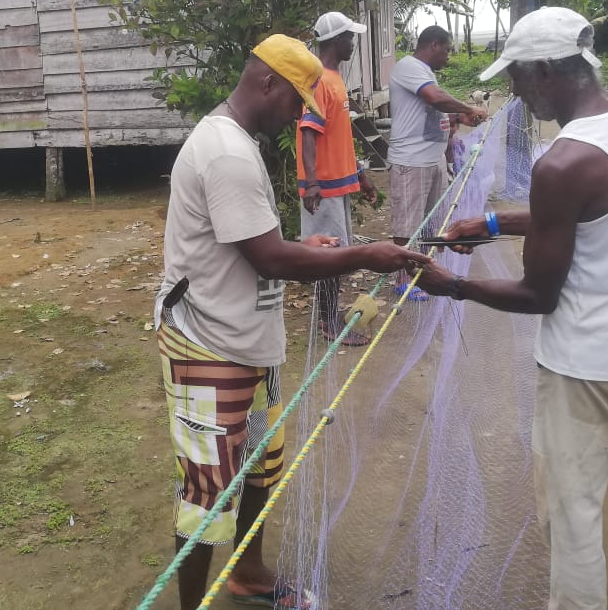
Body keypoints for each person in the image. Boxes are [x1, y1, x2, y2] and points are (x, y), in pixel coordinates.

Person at [416, 7, 608, 610]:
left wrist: (450, 285)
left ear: (550, 73)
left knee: (573, 521)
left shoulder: (562, 162)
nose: (516, 94)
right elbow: (601, 208)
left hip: (586, 373)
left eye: (519, 80)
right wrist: (495, 222)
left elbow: (538, 295)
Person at [154, 34, 429, 610]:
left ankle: (247, 573)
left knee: (261, 463)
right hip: (208, 345)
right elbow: (270, 259)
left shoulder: (237, 141)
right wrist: (362, 253)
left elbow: (256, 243)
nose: (299, 115)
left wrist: (309, 245)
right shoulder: (227, 152)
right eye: (297, 100)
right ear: (267, 82)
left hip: (249, 340)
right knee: (208, 494)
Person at [296, 11, 379, 346]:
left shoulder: (335, 79)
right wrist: (312, 182)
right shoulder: (319, 81)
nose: (353, 42)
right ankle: (329, 325)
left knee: (336, 254)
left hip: (338, 184)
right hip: (324, 188)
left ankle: (329, 314)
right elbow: (308, 133)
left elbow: (340, 136)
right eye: (349, 36)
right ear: (335, 41)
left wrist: (361, 176)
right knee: (329, 256)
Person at [387, 25, 487, 298]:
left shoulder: (426, 73)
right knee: (408, 225)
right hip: (412, 161)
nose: (448, 57)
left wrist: (457, 119)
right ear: (433, 45)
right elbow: (434, 97)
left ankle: (425, 274)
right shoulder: (408, 66)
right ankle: (403, 280)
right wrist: (468, 108)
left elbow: (429, 111)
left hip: (432, 161)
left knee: (432, 224)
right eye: (447, 50)